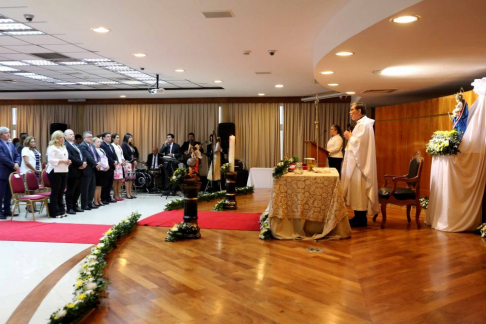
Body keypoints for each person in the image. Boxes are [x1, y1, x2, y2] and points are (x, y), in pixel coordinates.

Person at [342, 103, 379, 227]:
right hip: (356, 163)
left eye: (352, 109)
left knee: (359, 191)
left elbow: (360, 144)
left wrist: (350, 137)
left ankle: (361, 219)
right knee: (356, 191)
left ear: (359, 110)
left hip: (360, 165)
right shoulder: (361, 124)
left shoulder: (364, 124)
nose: (350, 112)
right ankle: (357, 216)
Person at [46, 131, 71, 218]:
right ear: (56, 138)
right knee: (56, 192)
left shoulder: (63, 147)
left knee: (61, 192)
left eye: (63, 137)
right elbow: (51, 160)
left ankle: (61, 210)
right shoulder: (52, 147)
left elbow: (65, 157)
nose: (62, 139)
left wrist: (68, 161)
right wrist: (63, 161)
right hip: (55, 171)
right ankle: (54, 212)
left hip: (64, 170)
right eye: (60, 137)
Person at [0, 126, 21, 219]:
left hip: (11, 172)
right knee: (1, 193)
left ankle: (7, 210)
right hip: (2, 171)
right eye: (5, 133)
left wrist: (17, 162)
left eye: (8, 132)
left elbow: (17, 155)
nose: (8, 134)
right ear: (0, 135)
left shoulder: (11, 144)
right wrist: (13, 165)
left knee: (9, 192)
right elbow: (2, 157)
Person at [64, 129, 86, 215]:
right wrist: (81, 163)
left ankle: (75, 205)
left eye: (73, 134)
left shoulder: (76, 145)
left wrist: (84, 162)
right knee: (71, 190)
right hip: (73, 170)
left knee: (78, 190)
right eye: (70, 134)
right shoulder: (65, 145)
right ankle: (69, 208)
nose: (73, 135)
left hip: (80, 169)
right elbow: (70, 156)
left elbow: (82, 155)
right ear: (65, 136)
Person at [79, 131, 101, 210]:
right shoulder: (82, 146)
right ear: (84, 138)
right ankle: (84, 205)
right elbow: (88, 157)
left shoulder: (92, 145)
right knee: (86, 187)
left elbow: (97, 155)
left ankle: (90, 203)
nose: (91, 138)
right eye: (89, 137)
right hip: (87, 169)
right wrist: (96, 164)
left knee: (92, 186)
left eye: (91, 137)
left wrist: (99, 162)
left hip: (93, 168)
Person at [100, 132, 118, 204]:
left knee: (110, 183)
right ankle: (103, 198)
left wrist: (116, 160)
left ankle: (108, 197)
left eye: (110, 136)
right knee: (105, 183)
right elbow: (106, 156)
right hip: (107, 166)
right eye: (107, 136)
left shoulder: (111, 145)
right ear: (103, 138)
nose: (109, 138)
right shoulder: (102, 145)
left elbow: (114, 154)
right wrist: (113, 161)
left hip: (112, 167)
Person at [93, 137, 110, 206]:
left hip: (104, 169)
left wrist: (107, 165)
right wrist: (104, 166)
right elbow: (98, 160)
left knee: (100, 185)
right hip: (99, 169)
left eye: (100, 142)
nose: (99, 143)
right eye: (97, 142)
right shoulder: (94, 150)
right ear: (93, 143)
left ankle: (99, 199)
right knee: (97, 185)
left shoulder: (101, 149)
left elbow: (105, 158)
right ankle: (96, 200)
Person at [121, 133, 137, 199]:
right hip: (127, 163)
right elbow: (125, 154)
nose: (131, 139)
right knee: (127, 179)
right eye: (130, 137)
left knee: (131, 179)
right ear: (127, 138)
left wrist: (134, 160)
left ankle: (130, 193)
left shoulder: (130, 145)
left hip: (132, 163)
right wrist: (132, 160)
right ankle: (127, 194)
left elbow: (134, 154)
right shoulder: (124, 145)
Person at [111, 133, 125, 201]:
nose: (118, 139)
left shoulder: (119, 146)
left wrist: (123, 160)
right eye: (117, 137)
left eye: (119, 138)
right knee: (115, 180)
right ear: (113, 138)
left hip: (120, 164)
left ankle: (118, 194)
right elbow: (113, 155)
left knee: (120, 180)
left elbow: (121, 155)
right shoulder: (112, 146)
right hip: (116, 164)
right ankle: (115, 194)